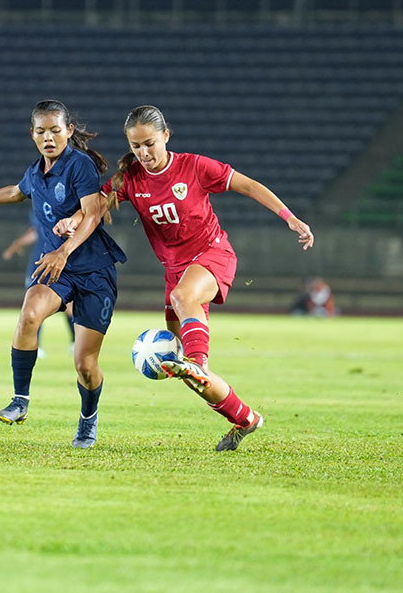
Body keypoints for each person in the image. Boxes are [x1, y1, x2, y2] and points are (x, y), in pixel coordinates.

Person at [56, 105, 313, 452]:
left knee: (188, 330)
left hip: (212, 255)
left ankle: (200, 363)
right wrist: (74, 219)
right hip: (176, 274)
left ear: (166, 136)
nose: (144, 153)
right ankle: (245, 418)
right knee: (185, 371)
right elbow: (98, 205)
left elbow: (248, 185)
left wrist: (290, 218)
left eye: (150, 143)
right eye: (136, 147)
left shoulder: (194, 166)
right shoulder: (132, 178)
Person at [0, 100, 126, 448]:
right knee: (29, 315)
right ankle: (20, 400)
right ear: (32, 135)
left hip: (94, 270)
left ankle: (88, 420)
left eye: (56, 130)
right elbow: (15, 192)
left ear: (69, 131)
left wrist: (63, 250)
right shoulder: (35, 172)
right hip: (58, 268)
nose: (49, 137)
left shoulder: (79, 165)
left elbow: (92, 215)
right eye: (41, 131)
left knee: (85, 365)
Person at [2, 220, 76, 358]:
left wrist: (17, 243)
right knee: (36, 305)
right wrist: (18, 243)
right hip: (39, 261)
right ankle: (38, 345)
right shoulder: (38, 205)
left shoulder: (61, 203)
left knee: (66, 305)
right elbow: (37, 231)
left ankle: (75, 342)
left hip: (57, 260)